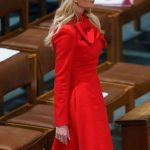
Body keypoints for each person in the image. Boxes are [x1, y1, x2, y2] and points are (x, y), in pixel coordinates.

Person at [45, 0, 114, 149]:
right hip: (81, 99)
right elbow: (61, 79)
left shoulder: (89, 21)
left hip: (93, 92)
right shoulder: (67, 32)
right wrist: (61, 122)